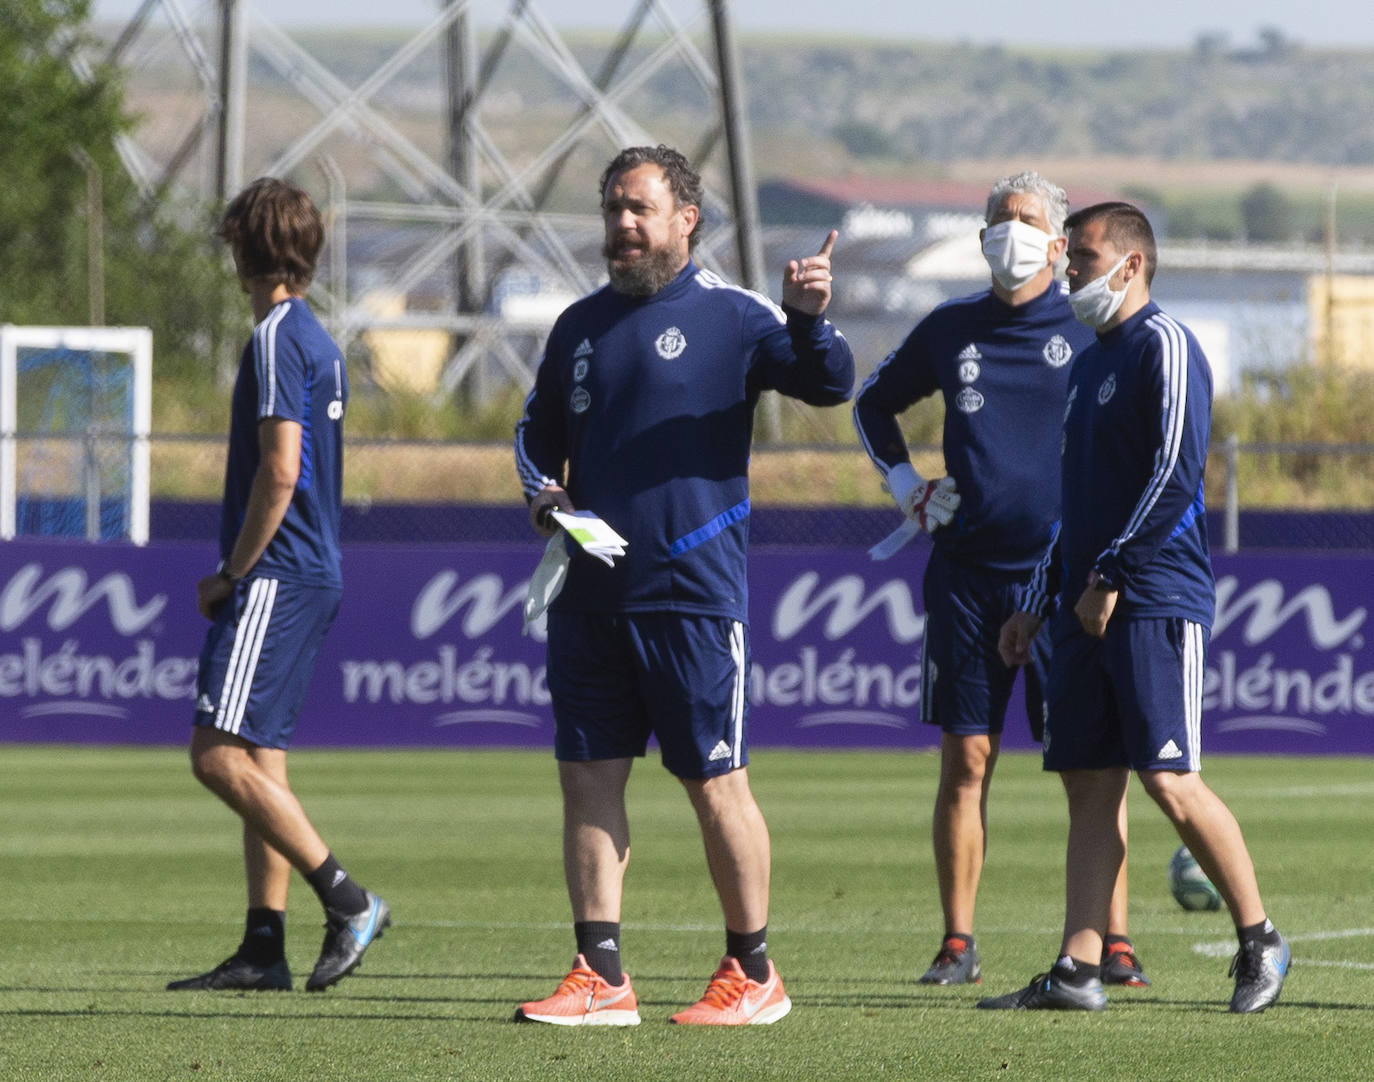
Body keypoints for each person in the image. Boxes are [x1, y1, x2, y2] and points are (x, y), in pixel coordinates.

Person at [512, 144, 854, 1026]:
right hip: (589, 594)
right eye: (612, 210)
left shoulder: (735, 317)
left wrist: (811, 319)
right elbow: (533, 433)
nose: (622, 225)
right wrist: (543, 496)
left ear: (685, 220)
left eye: (639, 209)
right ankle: (601, 976)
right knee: (587, 778)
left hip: (691, 593)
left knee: (716, 782)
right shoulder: (578, 327)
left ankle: (754, 973)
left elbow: (827, 384)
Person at [980, 202, 1289, 1013]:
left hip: (1151, 595)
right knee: (1087, 782)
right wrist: (1039, 601)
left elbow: (1175, 477)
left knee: (1169, 778)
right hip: (1083, 602)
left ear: (1132, 264)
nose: (1069, 270)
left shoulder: (1166, 346)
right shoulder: (1088, 363)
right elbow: (1075, 501)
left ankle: (1260, 939)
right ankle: (1080, 968)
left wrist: (1111, 573)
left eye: (1081, 257)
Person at [852, 172, 1147, 989]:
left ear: (1058, 244)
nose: (1006, 233)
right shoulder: (951, 329)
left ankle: (1111, 942)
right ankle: (957, 942)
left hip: (1068, 583)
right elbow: (872, 405)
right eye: (996, 220)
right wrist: (903, 485)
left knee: (1091, 766)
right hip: (966, 577)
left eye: (1023, 221)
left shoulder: (1094, 329)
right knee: (968, 758)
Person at [167, 177, 389, 993]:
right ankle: (264, 944)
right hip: (309, 570)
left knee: (215, 755)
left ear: (243, 249)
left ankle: (349, 900)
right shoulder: (320, 339)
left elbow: (282, 467)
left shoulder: (273, 338)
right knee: (262, 760)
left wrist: (233, 571)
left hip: (276, 572)